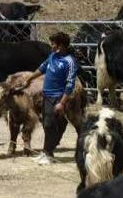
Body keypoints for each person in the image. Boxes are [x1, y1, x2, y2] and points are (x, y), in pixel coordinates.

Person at [20, 32, 79, 165]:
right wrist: (29, 79)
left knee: (50, 125)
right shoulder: (52, 56)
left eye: (53, 44)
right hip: (46, 95)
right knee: (47, 125)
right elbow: (42, 68)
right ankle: (47, 152)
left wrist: (62, 103)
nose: (51, 46)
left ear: (60, 46)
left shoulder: (70, 62)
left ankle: (48, 153)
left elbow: (70, 84)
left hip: (58, 97)